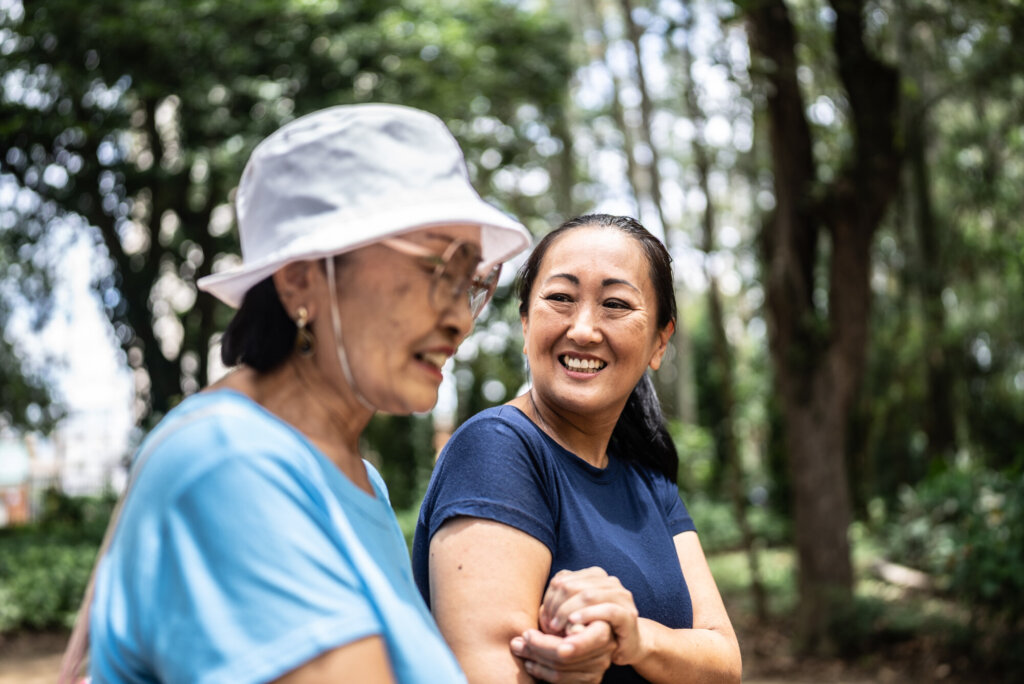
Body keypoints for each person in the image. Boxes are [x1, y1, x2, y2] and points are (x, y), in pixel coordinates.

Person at [65, 104, 535, 684]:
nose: (460, 321)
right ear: (299, 279)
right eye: (437, 269)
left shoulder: (360, 483)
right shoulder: (231, 463)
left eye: (472, 284)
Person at [413, 214, 743, 683]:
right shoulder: (498, 449)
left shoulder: (649, 479)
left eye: (615, 304)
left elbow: (725, 661)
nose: (584, 329)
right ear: (526, 324)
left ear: (659, 341)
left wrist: (635, 639)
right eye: (561, 298)